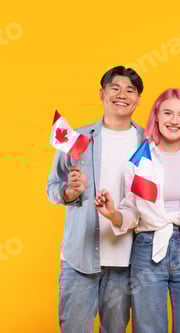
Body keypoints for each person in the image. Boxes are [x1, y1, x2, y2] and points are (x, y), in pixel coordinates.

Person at [95, 88, 180, 332]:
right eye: (167, 113)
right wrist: (112, 213)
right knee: (148, 327)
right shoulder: (140, 161)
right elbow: (131, 213)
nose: (174, 121)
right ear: (156, 116)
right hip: (148, 248)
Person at [47, 66, 144, 332]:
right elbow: (52, 187)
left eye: (130, 90)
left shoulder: (148, 142)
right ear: (102, 93)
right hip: (80, 257)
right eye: (115, 88)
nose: (122, 94)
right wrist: (70, 192)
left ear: (137, 99)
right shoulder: (76, 139)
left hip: (127, 261)